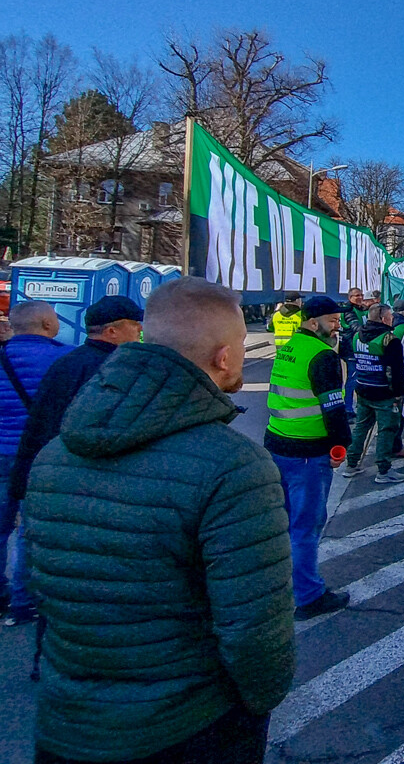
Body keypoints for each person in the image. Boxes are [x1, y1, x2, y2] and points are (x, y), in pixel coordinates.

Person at [23, 278, 293, 764]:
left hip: (66, 724)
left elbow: (47, 588)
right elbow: (254, 627)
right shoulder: (234, 465)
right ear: (225, 358)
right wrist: (256, 705)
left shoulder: (55, 455)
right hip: (190, 727)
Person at [7, 297, 144, 535]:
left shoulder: (66, 363)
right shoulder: (115, 368)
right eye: (135, 325)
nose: (140, 330)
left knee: (26, 539)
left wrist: (22, 480)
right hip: (82, 474)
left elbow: (39, 423)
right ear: (112, 331)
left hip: (37, 462)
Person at [264, 296, 351, 620]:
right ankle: (309, 596)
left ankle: (283, 585)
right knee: (306, 526)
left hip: (279, 444)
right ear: (313, 323)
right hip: (307, 452)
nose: (338, 325)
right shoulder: (322, 355)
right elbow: (333, 407)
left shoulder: (289, 347)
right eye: (332, 320)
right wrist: (341, 445)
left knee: (286, 522)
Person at [0, 301, 69, 626]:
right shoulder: (62, 358)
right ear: (45, 323)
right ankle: (23, 602)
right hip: (37, 455)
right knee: (29, 529)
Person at [344, 303, 404, 483]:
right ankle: (383, 470)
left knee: (361, 428)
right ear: (383, 319)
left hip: (363, 388)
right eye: (390, 317)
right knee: (386, 430)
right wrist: (398, 394)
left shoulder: (357, 336)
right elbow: (395, 371)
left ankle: (351, 464)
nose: (392, 320)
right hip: (384, 393)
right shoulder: (390, 340)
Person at [339, 287, 368, 415]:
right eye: (357, 295)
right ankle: (348, 408)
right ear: (350, 297)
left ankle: (354, 406)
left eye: (361, 295)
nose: (360, 297)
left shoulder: (360, 309)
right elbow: (356, 327)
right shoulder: (348, 310)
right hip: (350, 349)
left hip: (358, 348)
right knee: (352, 379)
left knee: (358, 378)